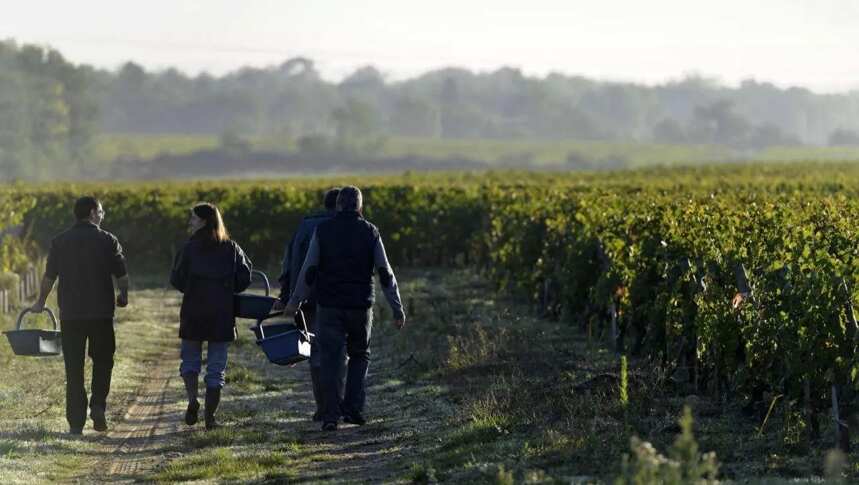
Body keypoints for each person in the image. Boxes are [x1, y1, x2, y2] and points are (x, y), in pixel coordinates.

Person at [284, 186, 406, 431]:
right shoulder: (370, 231)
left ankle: (330, 415)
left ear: (338, 206)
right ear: (360, 207)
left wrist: (295, 301)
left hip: (329, 305)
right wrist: (397, 307)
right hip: (360, 306)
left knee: (331, 359)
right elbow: (385, 272)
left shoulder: (323, 230)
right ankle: (353, 409)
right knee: (360, 355)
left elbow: (309, 270)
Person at [31, 196, 129, 435]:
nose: (103, 215)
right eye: (101, 211)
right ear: (93, 213)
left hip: (71, 315)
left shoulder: (60, 241)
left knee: (73, 368)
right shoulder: (108, 240)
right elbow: (122, 275)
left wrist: (40, 303)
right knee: (103, 361)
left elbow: (49, 278)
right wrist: (123, 296)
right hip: (101, 314)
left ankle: (76, 422)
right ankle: (98, 406)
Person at [170, 202, 252, 430]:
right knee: (216, 368)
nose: (190, 222)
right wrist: (226, 290)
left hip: (193, 312)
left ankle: (192, 400)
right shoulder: (231, 247)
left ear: (203, 221)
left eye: (193, 218)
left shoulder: (189, 247)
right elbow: (245, 278)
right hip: (221, 314)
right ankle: (210, 418)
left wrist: (193, 289)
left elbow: (176, 278)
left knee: (190, 362)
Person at [276, 187, 347, 422]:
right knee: (338, 351)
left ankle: (322, 406)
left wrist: (289, 296)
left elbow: (289, 263)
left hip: (307, 299)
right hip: (338, 298)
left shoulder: (304, 227)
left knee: (315, 352)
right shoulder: (345, 227)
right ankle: (335, 403)